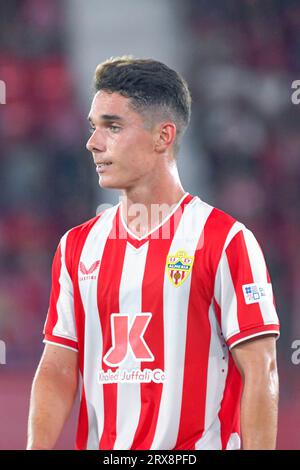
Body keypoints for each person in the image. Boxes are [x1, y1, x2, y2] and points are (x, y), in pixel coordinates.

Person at [27, 56, 280, 450]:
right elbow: (59, 367)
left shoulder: (226, 241)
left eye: (112, 126)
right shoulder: (77, 246)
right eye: (93, 127)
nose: (93, 142)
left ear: (163, 137)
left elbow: (261, 370)